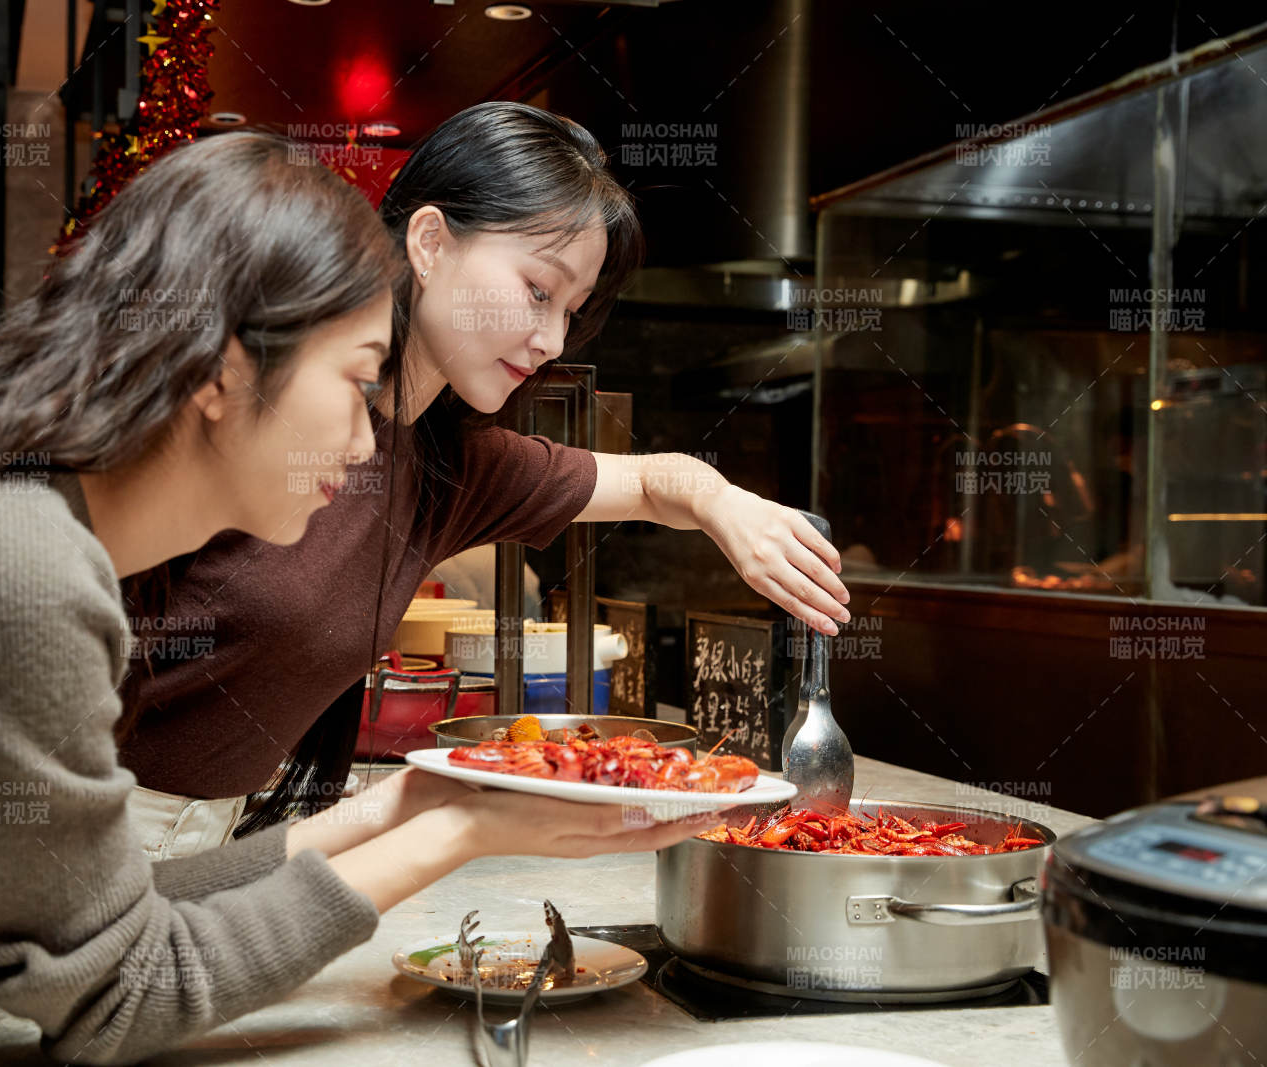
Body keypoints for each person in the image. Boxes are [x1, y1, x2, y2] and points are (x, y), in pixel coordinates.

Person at [0, 131, 713, 1067]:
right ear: (220, 373)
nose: (363, 443)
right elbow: (113, 999)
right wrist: (460, 836)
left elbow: (110, 920)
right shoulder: (10, 561)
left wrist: (406, 805)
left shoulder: (8, 514)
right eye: (355, 382)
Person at [117, 101, 852, 850]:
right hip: (94, 823)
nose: (553, 338)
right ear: (430, 243)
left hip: (209, 842)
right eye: (539, 290)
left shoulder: (447, 464)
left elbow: (655, 481)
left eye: (573, 308)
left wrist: (724, 503)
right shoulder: (253, 394)